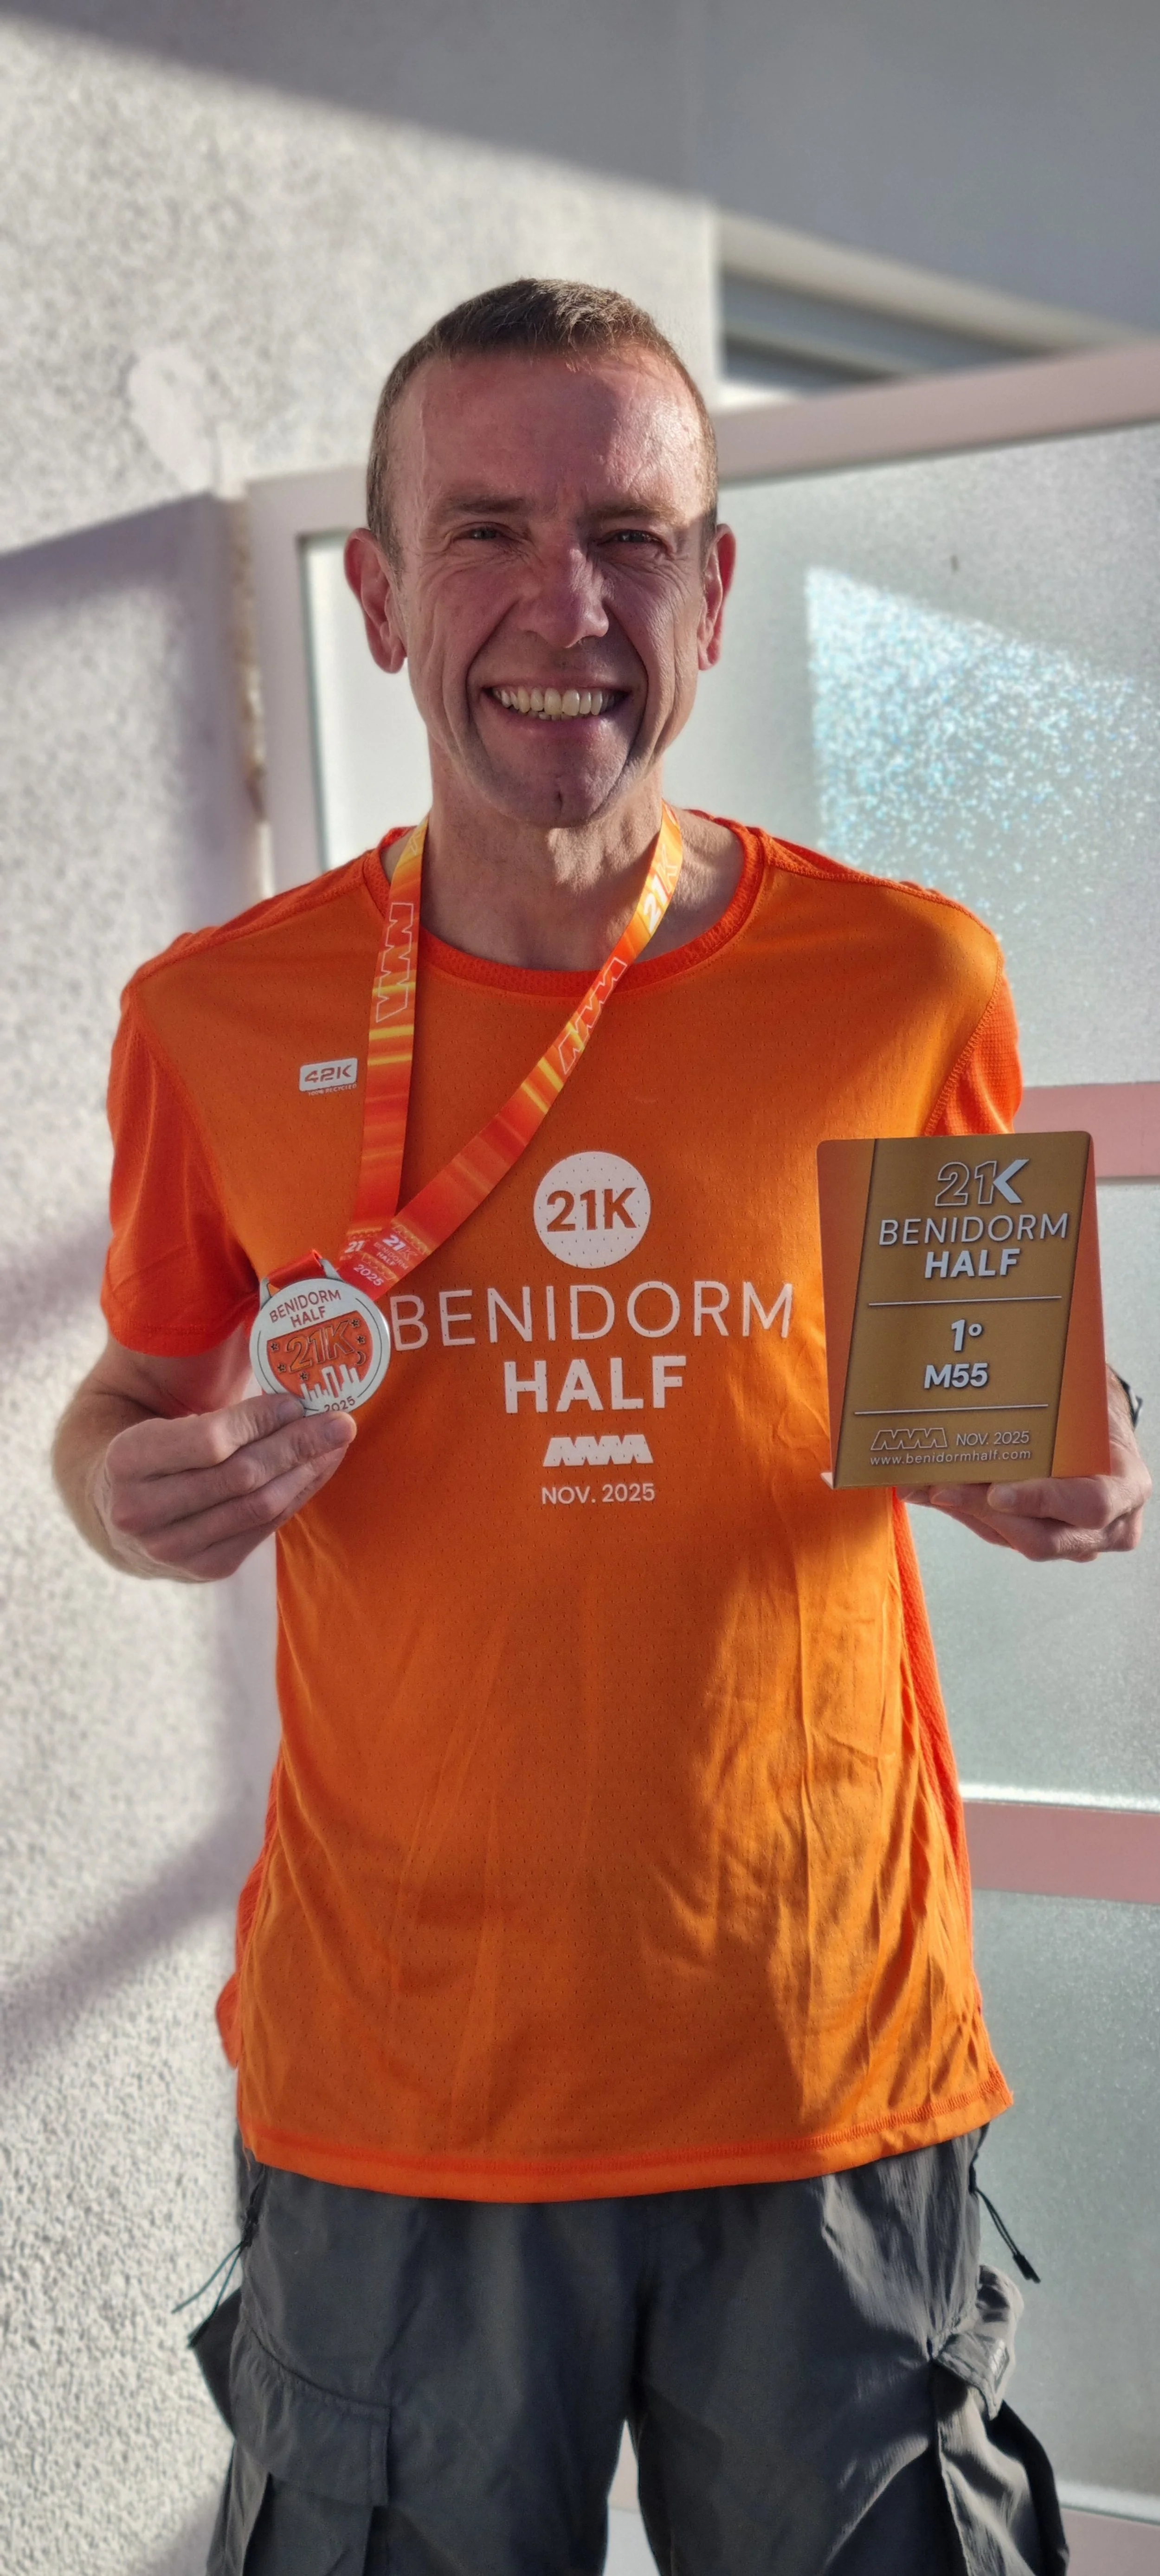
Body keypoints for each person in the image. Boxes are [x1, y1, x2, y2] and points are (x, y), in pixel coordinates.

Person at [54, 279, 1149, 2576]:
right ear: (377, 596)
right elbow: (140, 1394)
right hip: (403, 2080)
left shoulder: (903, 979)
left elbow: (995, 1410)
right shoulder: (214, 1017)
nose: (565, 607)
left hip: (821, 2065)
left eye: (630, 537)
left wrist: (1072, 1464)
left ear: (713, 591)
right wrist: (125, 1493)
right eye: (485, 531)